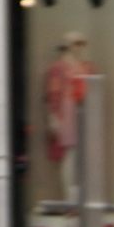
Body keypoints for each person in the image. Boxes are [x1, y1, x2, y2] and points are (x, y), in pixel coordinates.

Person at [42, 34, 91, 167]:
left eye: (81, 44)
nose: (79, 48)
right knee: (70, 152)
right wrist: (53, 117)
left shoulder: (86, 67)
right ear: (68, 46)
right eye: (76, 44)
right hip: (67, 111)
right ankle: (70, 188)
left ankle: (80, 185)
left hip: (84, 110)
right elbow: (53, 93)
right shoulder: (57, 67)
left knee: (83, 152)